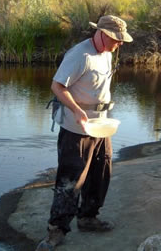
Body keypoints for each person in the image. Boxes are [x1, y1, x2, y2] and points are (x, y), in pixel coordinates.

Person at [36, 15, 133, 251]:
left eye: (120, 40)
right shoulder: (80, 55)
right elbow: (57, 86)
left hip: (101, 125)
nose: (119, 44)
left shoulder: (108, 53)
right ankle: (56, 231)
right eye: (116, 39)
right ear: (102, 34)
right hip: (76, 128)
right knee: (71, 179)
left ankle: (88, 217)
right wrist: (78, 110)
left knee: (101, 172)